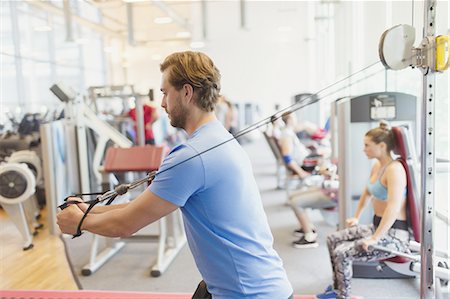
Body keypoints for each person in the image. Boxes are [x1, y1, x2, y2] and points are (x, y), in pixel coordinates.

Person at [57, 51, 293, 299]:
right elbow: (136, 208)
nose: (162, 103)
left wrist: (80, 223)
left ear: (187, 92)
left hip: (248, 294)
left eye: (165, 92)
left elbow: (125, 224)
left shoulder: (191, 155)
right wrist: (87, 209)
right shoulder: (219, 138)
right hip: (260, 286)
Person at [316, 121, 410, 299]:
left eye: (367, 145)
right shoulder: (377, 166)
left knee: (341, 252)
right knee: (332, 239)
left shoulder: (395, 170)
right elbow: (367, 192)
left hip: (394, 235)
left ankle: (343, 296)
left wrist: (375, 238)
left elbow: (393, 207)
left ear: (381, 146)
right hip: (377, 227)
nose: (364, 149)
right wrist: (356, 217)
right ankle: (336, 289)